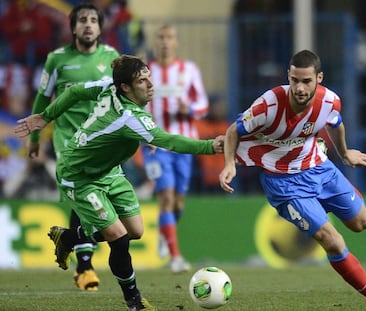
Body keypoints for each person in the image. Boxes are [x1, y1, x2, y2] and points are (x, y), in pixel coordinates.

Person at [14, 55, 224, 311]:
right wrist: (210, 146)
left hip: (109, 172)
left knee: (136, 231)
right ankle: (134, 299)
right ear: (126, 87)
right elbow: (169, 141)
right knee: (120, 238)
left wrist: (46, 116)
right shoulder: (128, 115)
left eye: (149, 77)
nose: (150, 84)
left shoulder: (108, 86)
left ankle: (69, 237)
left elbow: (76, 93)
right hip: (79, 175)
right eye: (142, 81)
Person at [219, 50, 366, 311]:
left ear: (319, 78)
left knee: (361, 223)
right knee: (331, 239)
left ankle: (322, 203)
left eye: (306, 81)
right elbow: (234, 130)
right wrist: (230, 163)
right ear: (289, 75)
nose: (299, 87)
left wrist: (345, 154)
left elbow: (336, 123)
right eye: (295, 80)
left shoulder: (330, 101)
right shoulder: (268, 105)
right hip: (284, 183)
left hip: (319, 168)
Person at [28, 3, 120, 291]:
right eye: (82, 20)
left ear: (101, 27)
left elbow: (124, 98)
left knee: (99, 201)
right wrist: (35, 137)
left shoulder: (112, 58)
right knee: (85, 194)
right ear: (73, 27)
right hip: (69, 139)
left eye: (93, 20)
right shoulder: (57, 60)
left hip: (103, 140)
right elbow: (43, 99)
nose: (88, 25)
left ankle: (69, 241)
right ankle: (84, 266)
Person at [142, 24, 209, 272]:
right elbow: (136, 104)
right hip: (155, 145)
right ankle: (175, 257)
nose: (165, 42)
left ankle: (165, 232)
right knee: (166, 198)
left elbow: (203, 104)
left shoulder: (188, 70)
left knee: (178, 202)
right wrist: (143, 133)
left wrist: (189, 109)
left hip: (184, 145)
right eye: (160, 37)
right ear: (156, 41)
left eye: (169, 37)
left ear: (176, 42)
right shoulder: (146, 71)